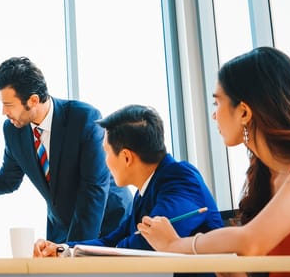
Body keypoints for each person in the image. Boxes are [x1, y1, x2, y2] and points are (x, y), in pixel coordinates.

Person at [0, 56, 132, 243]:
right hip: (62, 232)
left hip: (110, 227)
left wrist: (73, 252)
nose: (3, 112)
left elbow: (93, 191)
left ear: (33, 100)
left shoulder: (84, 119)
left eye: (9, 104)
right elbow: (7, 179)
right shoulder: (14, 130)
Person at [137, 47, 290, 263]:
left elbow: (251, 241)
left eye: (217, 102)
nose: (214, 115)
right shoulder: (265, 177)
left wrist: (175, 245)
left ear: (243, 112)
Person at [33, 104, 224, 257]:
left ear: (126, 157)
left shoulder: (181, 178)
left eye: (106, 152)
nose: (104, 160)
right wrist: (61, 249)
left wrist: (108, 248)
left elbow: (148, 243)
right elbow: (112, 240)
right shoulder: (145, 190)